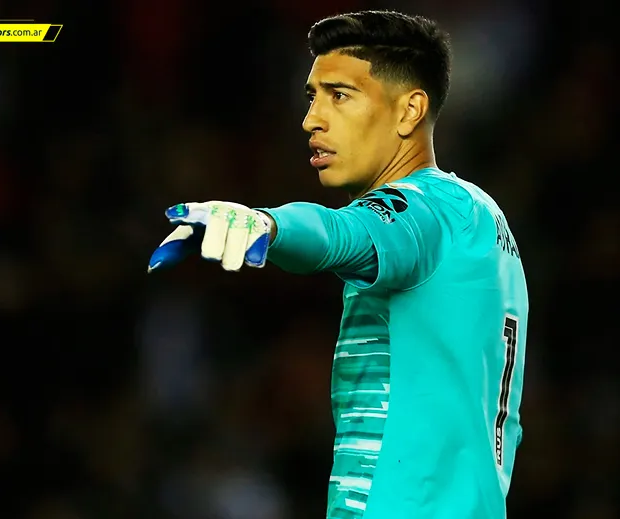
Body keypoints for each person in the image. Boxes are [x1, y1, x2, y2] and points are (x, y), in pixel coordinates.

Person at [148, 10, 528, 519]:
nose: (312, 120)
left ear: (409, 111)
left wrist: (268, 224)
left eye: (340, 96)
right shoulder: (483, 220)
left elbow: (344, 233)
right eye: (313, 97)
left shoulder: (423, 209)